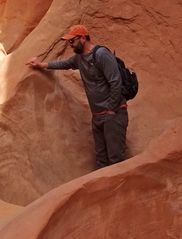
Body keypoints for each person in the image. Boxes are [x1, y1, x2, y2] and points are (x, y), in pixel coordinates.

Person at [27, 24, 128, 168]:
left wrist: (111, 110)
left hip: (113, 114)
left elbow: (115, 82)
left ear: (82, 38)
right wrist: (40, 65)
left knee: (115, 160)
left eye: (72, 41)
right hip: (98, 116)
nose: (70, 45)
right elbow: (64, 64)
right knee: (101, 160)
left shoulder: (101, 55)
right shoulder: (79, 58)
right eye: (69, 42)